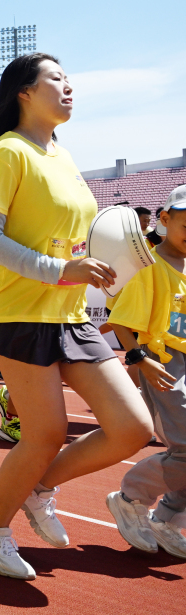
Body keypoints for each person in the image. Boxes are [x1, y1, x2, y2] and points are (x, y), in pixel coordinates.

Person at [0, 52, 153, 579]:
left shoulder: (62, 155)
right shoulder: (8, 153)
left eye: (70, 79)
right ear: (24, 91)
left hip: (70, 313)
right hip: (19, 313)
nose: (69, 87)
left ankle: (38, 487)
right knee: (45, 433)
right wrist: (60, 269)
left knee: (132, 427)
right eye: (56, 79)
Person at [104, 184, 186, 559]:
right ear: (165, 219)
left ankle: (167, 519)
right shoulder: (150, 268)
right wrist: (141, 360)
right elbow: (121, 322)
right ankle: (132, 497)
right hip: (166, 364)